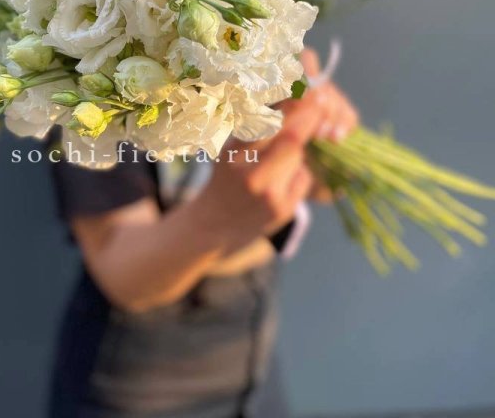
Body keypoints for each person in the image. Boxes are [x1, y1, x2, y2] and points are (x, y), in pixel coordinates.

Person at [48, 49, 359, 418]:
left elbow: (304, 174)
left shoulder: (255, 37)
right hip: (142, 386)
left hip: (253, 362)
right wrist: (219, 215)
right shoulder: (83, 70)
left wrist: (314, 142)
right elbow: (123, 269)